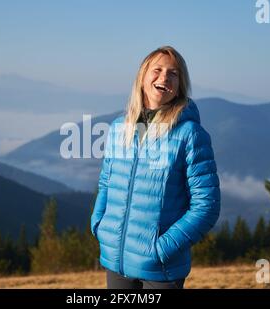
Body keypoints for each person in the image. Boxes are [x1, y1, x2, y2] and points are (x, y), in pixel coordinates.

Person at [90, 46, 220, 289]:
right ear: (142, 77)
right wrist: (99, 225)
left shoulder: (190, 134)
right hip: (116, 262)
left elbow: (207, 206)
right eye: (157, 70)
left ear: (180, 84)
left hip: (160, 270)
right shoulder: (120, 128)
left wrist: (161, 249)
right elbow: (107, 183)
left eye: (173, 74)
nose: (164, 78)